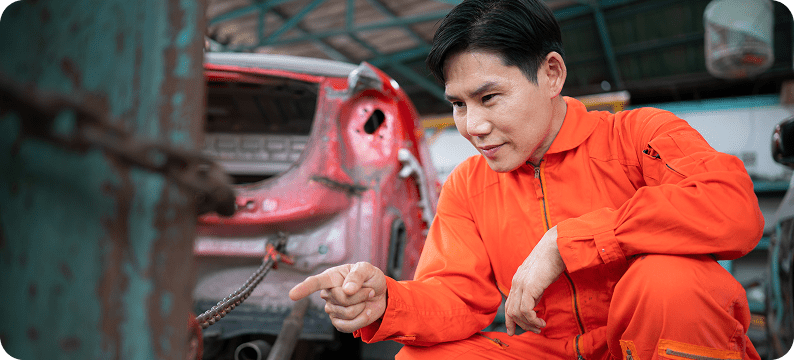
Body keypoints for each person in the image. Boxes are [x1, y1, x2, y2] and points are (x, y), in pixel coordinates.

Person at [289, 0, 765, 358]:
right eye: (458, 104)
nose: (472, 126)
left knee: (671, 280)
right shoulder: (468, 186)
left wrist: (568, 242)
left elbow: (732, 208)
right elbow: (456, 297)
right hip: (550, 351)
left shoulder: (639, 135)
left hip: (649, 343)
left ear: (552, 74)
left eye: (489, 97)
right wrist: (388, 300)